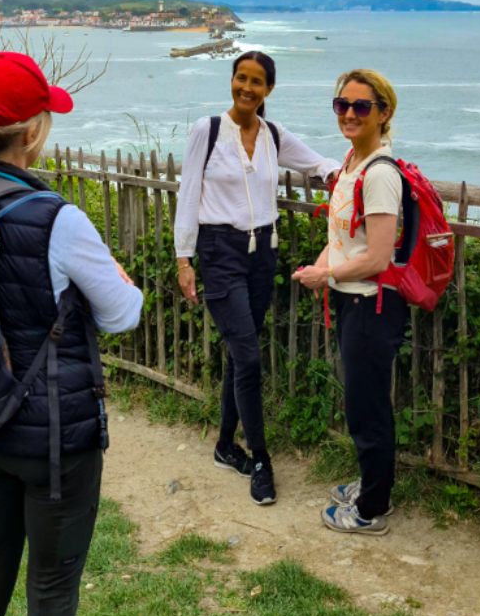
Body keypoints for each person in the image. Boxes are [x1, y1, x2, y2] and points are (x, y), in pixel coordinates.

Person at [0, 53, 143, 616]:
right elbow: (122, 316)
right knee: (51, 590)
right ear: (31, 133)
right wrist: (121, 281)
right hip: (51, 437)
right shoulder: (58, 220)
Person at [174, 51, 338, 506]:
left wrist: (340, 173)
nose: (247, 88)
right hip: (219, 253)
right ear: (232, 80)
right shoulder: (206, 133)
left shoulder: (272, 135)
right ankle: (260, 458)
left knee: (239, 353)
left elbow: (316, 163)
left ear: (268, 89)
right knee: (248, 357)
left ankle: (226, 445)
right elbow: (188, 196)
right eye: (241, 78)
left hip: (263, 254)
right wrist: (184, 260)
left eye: (257, 81)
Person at [292, 69, 406, 536]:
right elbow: (343, 239)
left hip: (371, 306)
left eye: (362, 106)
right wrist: (323, 267)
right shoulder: (351, 164)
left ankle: (372, 509)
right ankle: (371, 482)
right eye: (343, 105)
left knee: (368, 407)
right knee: (362, 401)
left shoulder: (379, 175)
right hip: (351, 301)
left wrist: (327, 274)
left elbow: (378, 257)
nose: (351, 114)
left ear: (384, 113)